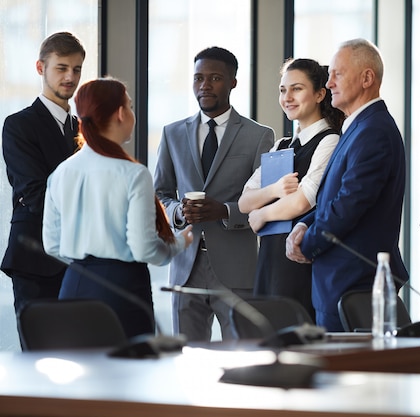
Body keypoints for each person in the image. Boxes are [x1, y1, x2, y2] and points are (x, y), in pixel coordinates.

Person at [42, 78, 193, 338]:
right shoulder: (133, 174)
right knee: (127, 375)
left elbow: (52, 245)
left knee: (82, 373)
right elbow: (144, 248)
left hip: (74, 286)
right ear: (121, 114)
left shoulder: (61, 172)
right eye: (130, 106)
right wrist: (179, 243)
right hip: (121, 291)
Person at [286, 39, 409, 331]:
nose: (328, 84)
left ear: (367, 78)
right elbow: (335, 194)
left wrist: (309, 243)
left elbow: (349, 205)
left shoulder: (373, 131)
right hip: (341, 284)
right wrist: (304, 224)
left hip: (355, 285)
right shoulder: (358, 127)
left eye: (337, 74)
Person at [154, 46, 275, 342]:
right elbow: (160, 193)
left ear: (233, 81)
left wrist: (226, 211)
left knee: (244, 356)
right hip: (186, 268)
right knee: (187, 359)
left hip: (237, 269)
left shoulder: (259, 135)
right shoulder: (172, 133)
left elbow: (268, 199)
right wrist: (179, 213)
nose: (204, 85)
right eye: (198, 78)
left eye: (215, 78)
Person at [238, 58, 344, 320]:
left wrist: (261, 215)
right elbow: (243, 202)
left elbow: (303, 201)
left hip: (299, 260)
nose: (288, 97)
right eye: (283, 90)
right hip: (270, 261)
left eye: (297, 89)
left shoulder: (329, 140)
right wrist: (274, 189)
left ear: (320, 94)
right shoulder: (282, 145)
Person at [1, 32, 85, 335]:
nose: (70, 77)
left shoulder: (83, 129)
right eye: (61, 68)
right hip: (36, 260)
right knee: (41, 357)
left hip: (82, 262)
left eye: (76, 69)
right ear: (41, 68)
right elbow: (34, 193)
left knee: (82, 356)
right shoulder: (18, 124)